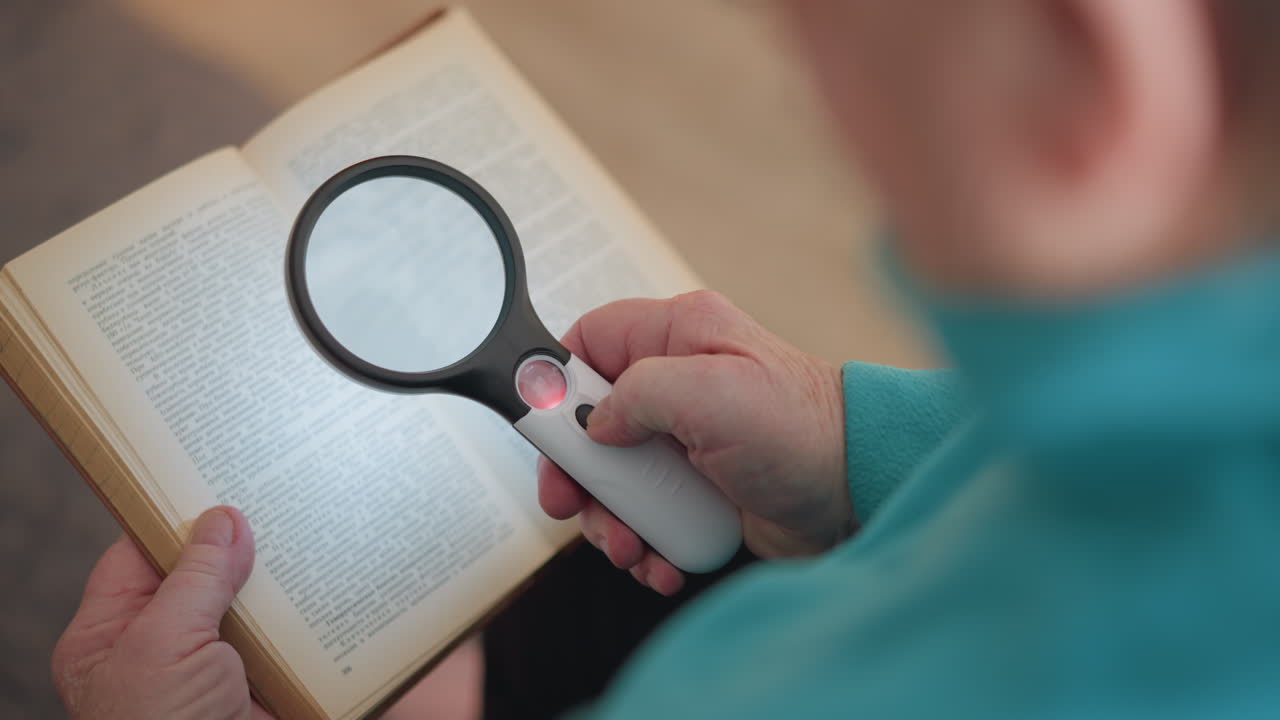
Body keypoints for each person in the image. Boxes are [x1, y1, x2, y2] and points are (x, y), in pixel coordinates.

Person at [52, 0, 1280, 717]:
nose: (802, 54)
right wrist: (852, 445)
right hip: (838, 560)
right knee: (588, 580)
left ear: (1096, 70)